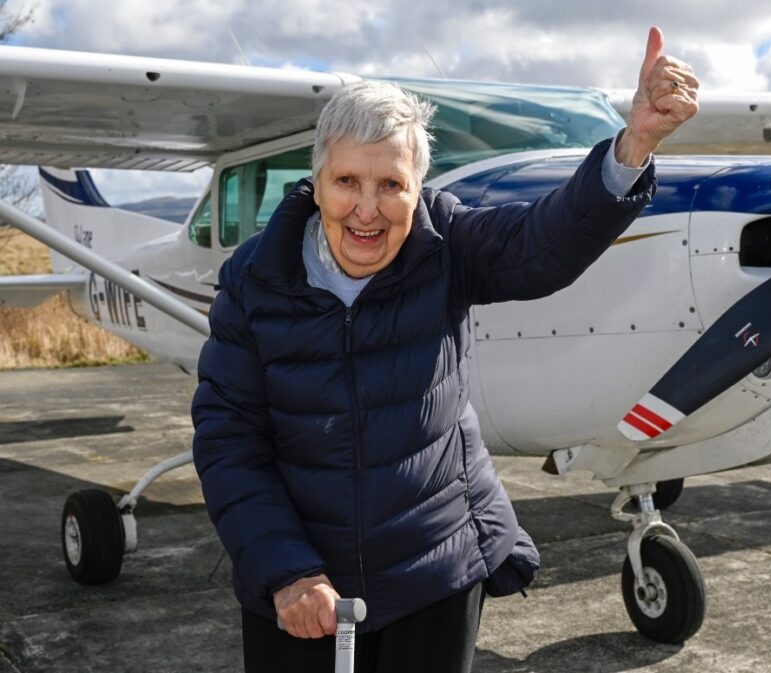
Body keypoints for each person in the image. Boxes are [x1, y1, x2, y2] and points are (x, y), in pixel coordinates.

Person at [191, 26, 698, 673]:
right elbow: (229, 437)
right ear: (316, 182)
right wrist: (287, 571)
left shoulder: (446, 242)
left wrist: (635, 147)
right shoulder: (252, 280)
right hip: (298, 590)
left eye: (391, 185)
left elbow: (542, 245)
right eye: (347, 180)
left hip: (434, 573)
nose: (367, 210)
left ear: (418, 187)